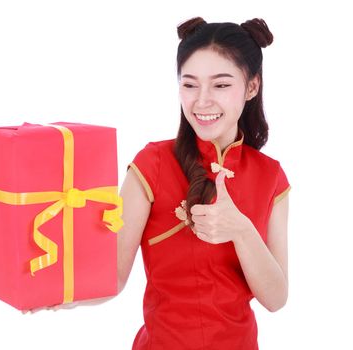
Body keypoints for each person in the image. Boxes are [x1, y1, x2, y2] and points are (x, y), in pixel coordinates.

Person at [30, 16, 291, 350]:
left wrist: (241, 230)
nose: (202, 100)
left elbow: (275, 298)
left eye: (221, 85)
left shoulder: (271, 177)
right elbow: (112, 277)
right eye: (190, 84)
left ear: (251, 87)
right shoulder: (151, 164)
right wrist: (62, 294)